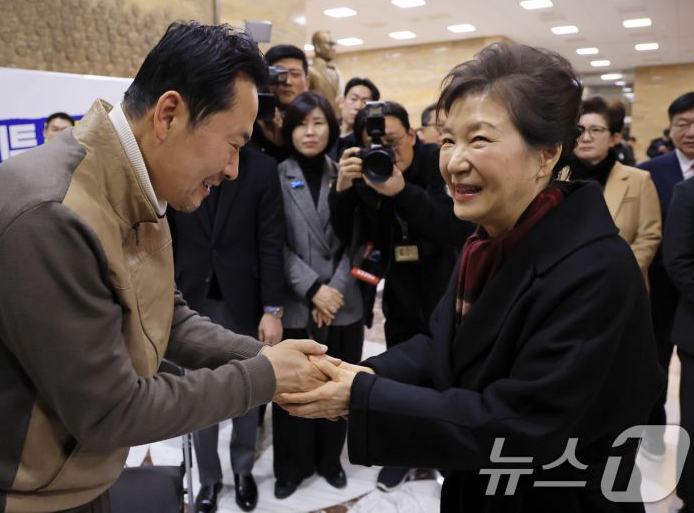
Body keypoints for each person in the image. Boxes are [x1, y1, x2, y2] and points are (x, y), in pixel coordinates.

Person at [0, 21, 330, 513]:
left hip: (67, 484)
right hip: (3, 499)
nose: (233, 169)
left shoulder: (133, 184)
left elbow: (164, 315)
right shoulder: (50, 216)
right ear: (169, 114)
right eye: (233, 144)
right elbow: (110, 412)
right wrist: (263, 377)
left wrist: (267, 356)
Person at [281, 42, 663, 512]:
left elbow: (523, 425)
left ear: (547, 154)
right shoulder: (487, 240)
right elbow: (443, 345)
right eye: (447, 140)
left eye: (479, 140)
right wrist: (364, 372)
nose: (454, 161)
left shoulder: (596, 270)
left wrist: (362, 397)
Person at [329, 100, 470, 489]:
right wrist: (343, 190)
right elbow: (348, 231)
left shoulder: (437, 163)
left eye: (392, 141)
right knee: (402, 374)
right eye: (375, 144)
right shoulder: (367, 168)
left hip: (445, 284)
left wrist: (401, 190)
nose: (386, 151)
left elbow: (452, 227)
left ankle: (443, 451)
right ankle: (406, 453)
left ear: (412, 135)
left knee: (448, 372)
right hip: (399, 287)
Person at [167, 141, 285, 512]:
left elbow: (271, 241)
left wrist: (272, 309)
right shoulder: (181, 157)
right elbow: (165, 234)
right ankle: (209, 479)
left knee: (250, 389)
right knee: (199, 395)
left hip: (245, 301)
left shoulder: (262, 169)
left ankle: (243, 469)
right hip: (190, 299)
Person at [273, 91, 364, 499]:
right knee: (292, 388)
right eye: (301, 124)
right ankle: (291, 467)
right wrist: (313, 290)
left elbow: (359, 239)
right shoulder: (276, 175)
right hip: (299, 301)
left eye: (318, 123)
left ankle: (330, 460)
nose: (309, 132)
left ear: (331, 127)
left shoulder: (346, 172)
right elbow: (272, 243)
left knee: (338, 383)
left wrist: (334, 291)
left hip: (342, 302)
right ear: (289, 130)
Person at [637, 91, 694, 462]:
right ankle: (653, 438)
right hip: (660, 292)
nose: (691, 132)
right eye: (683, 124)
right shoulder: (650, 172)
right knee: (653, 370)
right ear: (670, 128)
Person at [558, 96, 661, 287]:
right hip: (563, 280)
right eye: (580, 130)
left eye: (596, 130)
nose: (585, 138)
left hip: (620, 282)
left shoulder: (638, 179)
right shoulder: (556, 178)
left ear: (615, 138)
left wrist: (616, 272)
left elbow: (649, 236)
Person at [655, 96, 694, 513]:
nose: (692, 132)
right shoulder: (686, 191)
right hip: (692, 321)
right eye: (683, 124)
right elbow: (679, 260)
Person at [249, 44, 310, 162]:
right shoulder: (252, 119)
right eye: (280, 74)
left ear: (307, 82)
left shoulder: (316, 119)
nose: (287, 82)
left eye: (295, 74)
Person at [332, 77, 380, 160]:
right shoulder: (328, 131)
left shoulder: (368, 142)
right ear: (342, 102)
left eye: (365, 102)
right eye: (353, 99)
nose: (358, 106)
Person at [308, 30, 343, 112]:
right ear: (317, 47)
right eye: (330, 44)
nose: (333, 48)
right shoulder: (310, 71)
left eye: (334, 44)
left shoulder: (335, 71)